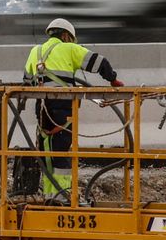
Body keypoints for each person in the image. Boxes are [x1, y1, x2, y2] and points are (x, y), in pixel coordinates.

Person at [23, 17, 123, 203]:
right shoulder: (69, 48)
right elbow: (100, 62)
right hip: (62, 109)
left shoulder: (34, 51)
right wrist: (113, 79)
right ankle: (62, 197)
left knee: (46, 152)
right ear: (65, 35)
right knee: (61, 152)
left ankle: (49, 196)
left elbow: (27, 81)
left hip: (42, 110)